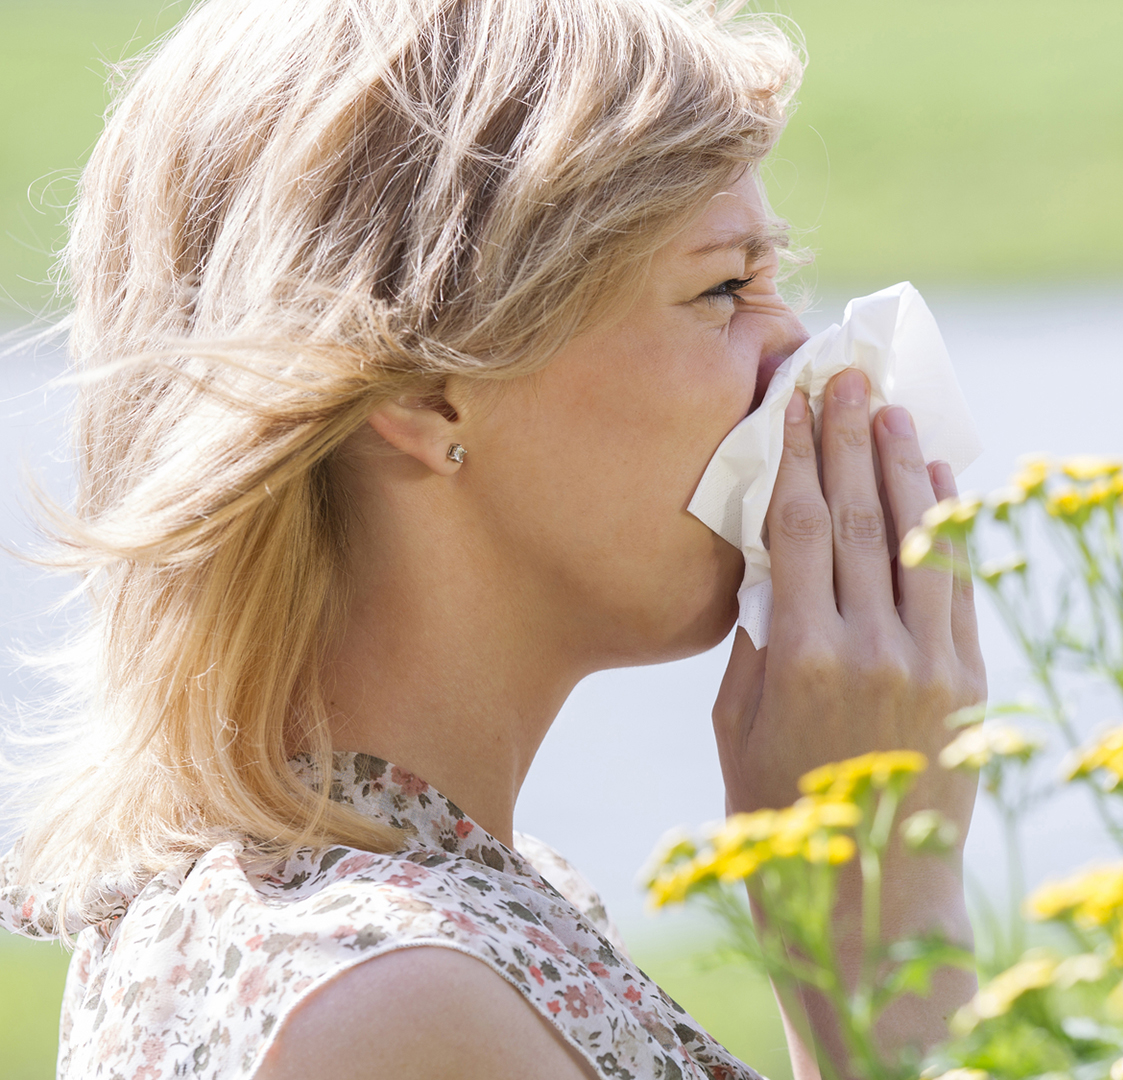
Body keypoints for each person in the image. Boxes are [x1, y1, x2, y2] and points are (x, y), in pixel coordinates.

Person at [0, 1, 985, 1077]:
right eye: (724, 287)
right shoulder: (389, 1006)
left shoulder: (417, 916)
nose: (796, 346)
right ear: (428, 387)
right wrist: (875, 920)